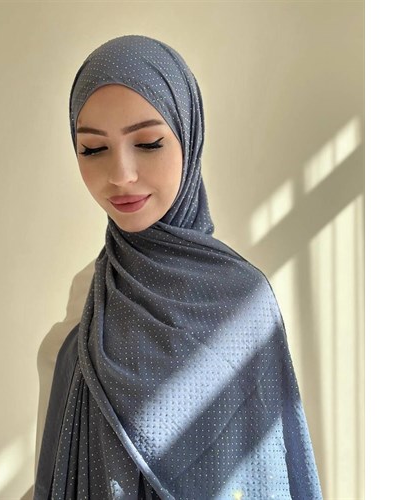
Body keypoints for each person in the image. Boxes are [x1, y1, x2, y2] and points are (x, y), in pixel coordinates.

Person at [34, 35, 323, 500]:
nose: (121, 175)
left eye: (148, 143)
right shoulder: (89, 289)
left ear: (189, 136)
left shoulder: (242, 301)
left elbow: (263, 471)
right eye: (93, 149)